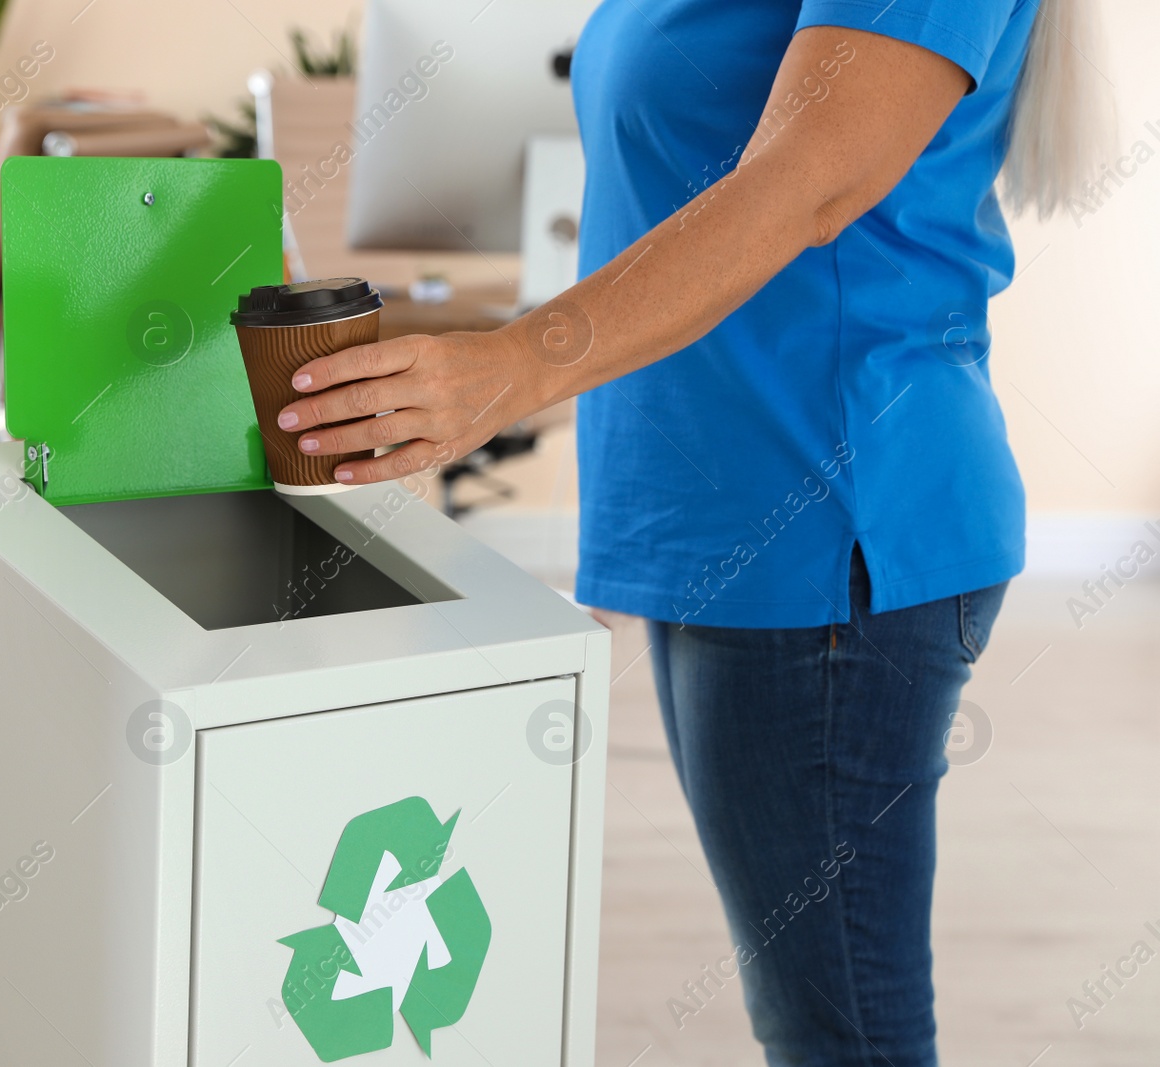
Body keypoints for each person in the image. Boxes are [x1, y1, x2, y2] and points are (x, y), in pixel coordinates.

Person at [272, 1, 1110, 1063]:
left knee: (841, 1026)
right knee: (812, 1009)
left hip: (825, 517)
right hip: (715, 513)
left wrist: (516, 365)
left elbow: (808, 180)